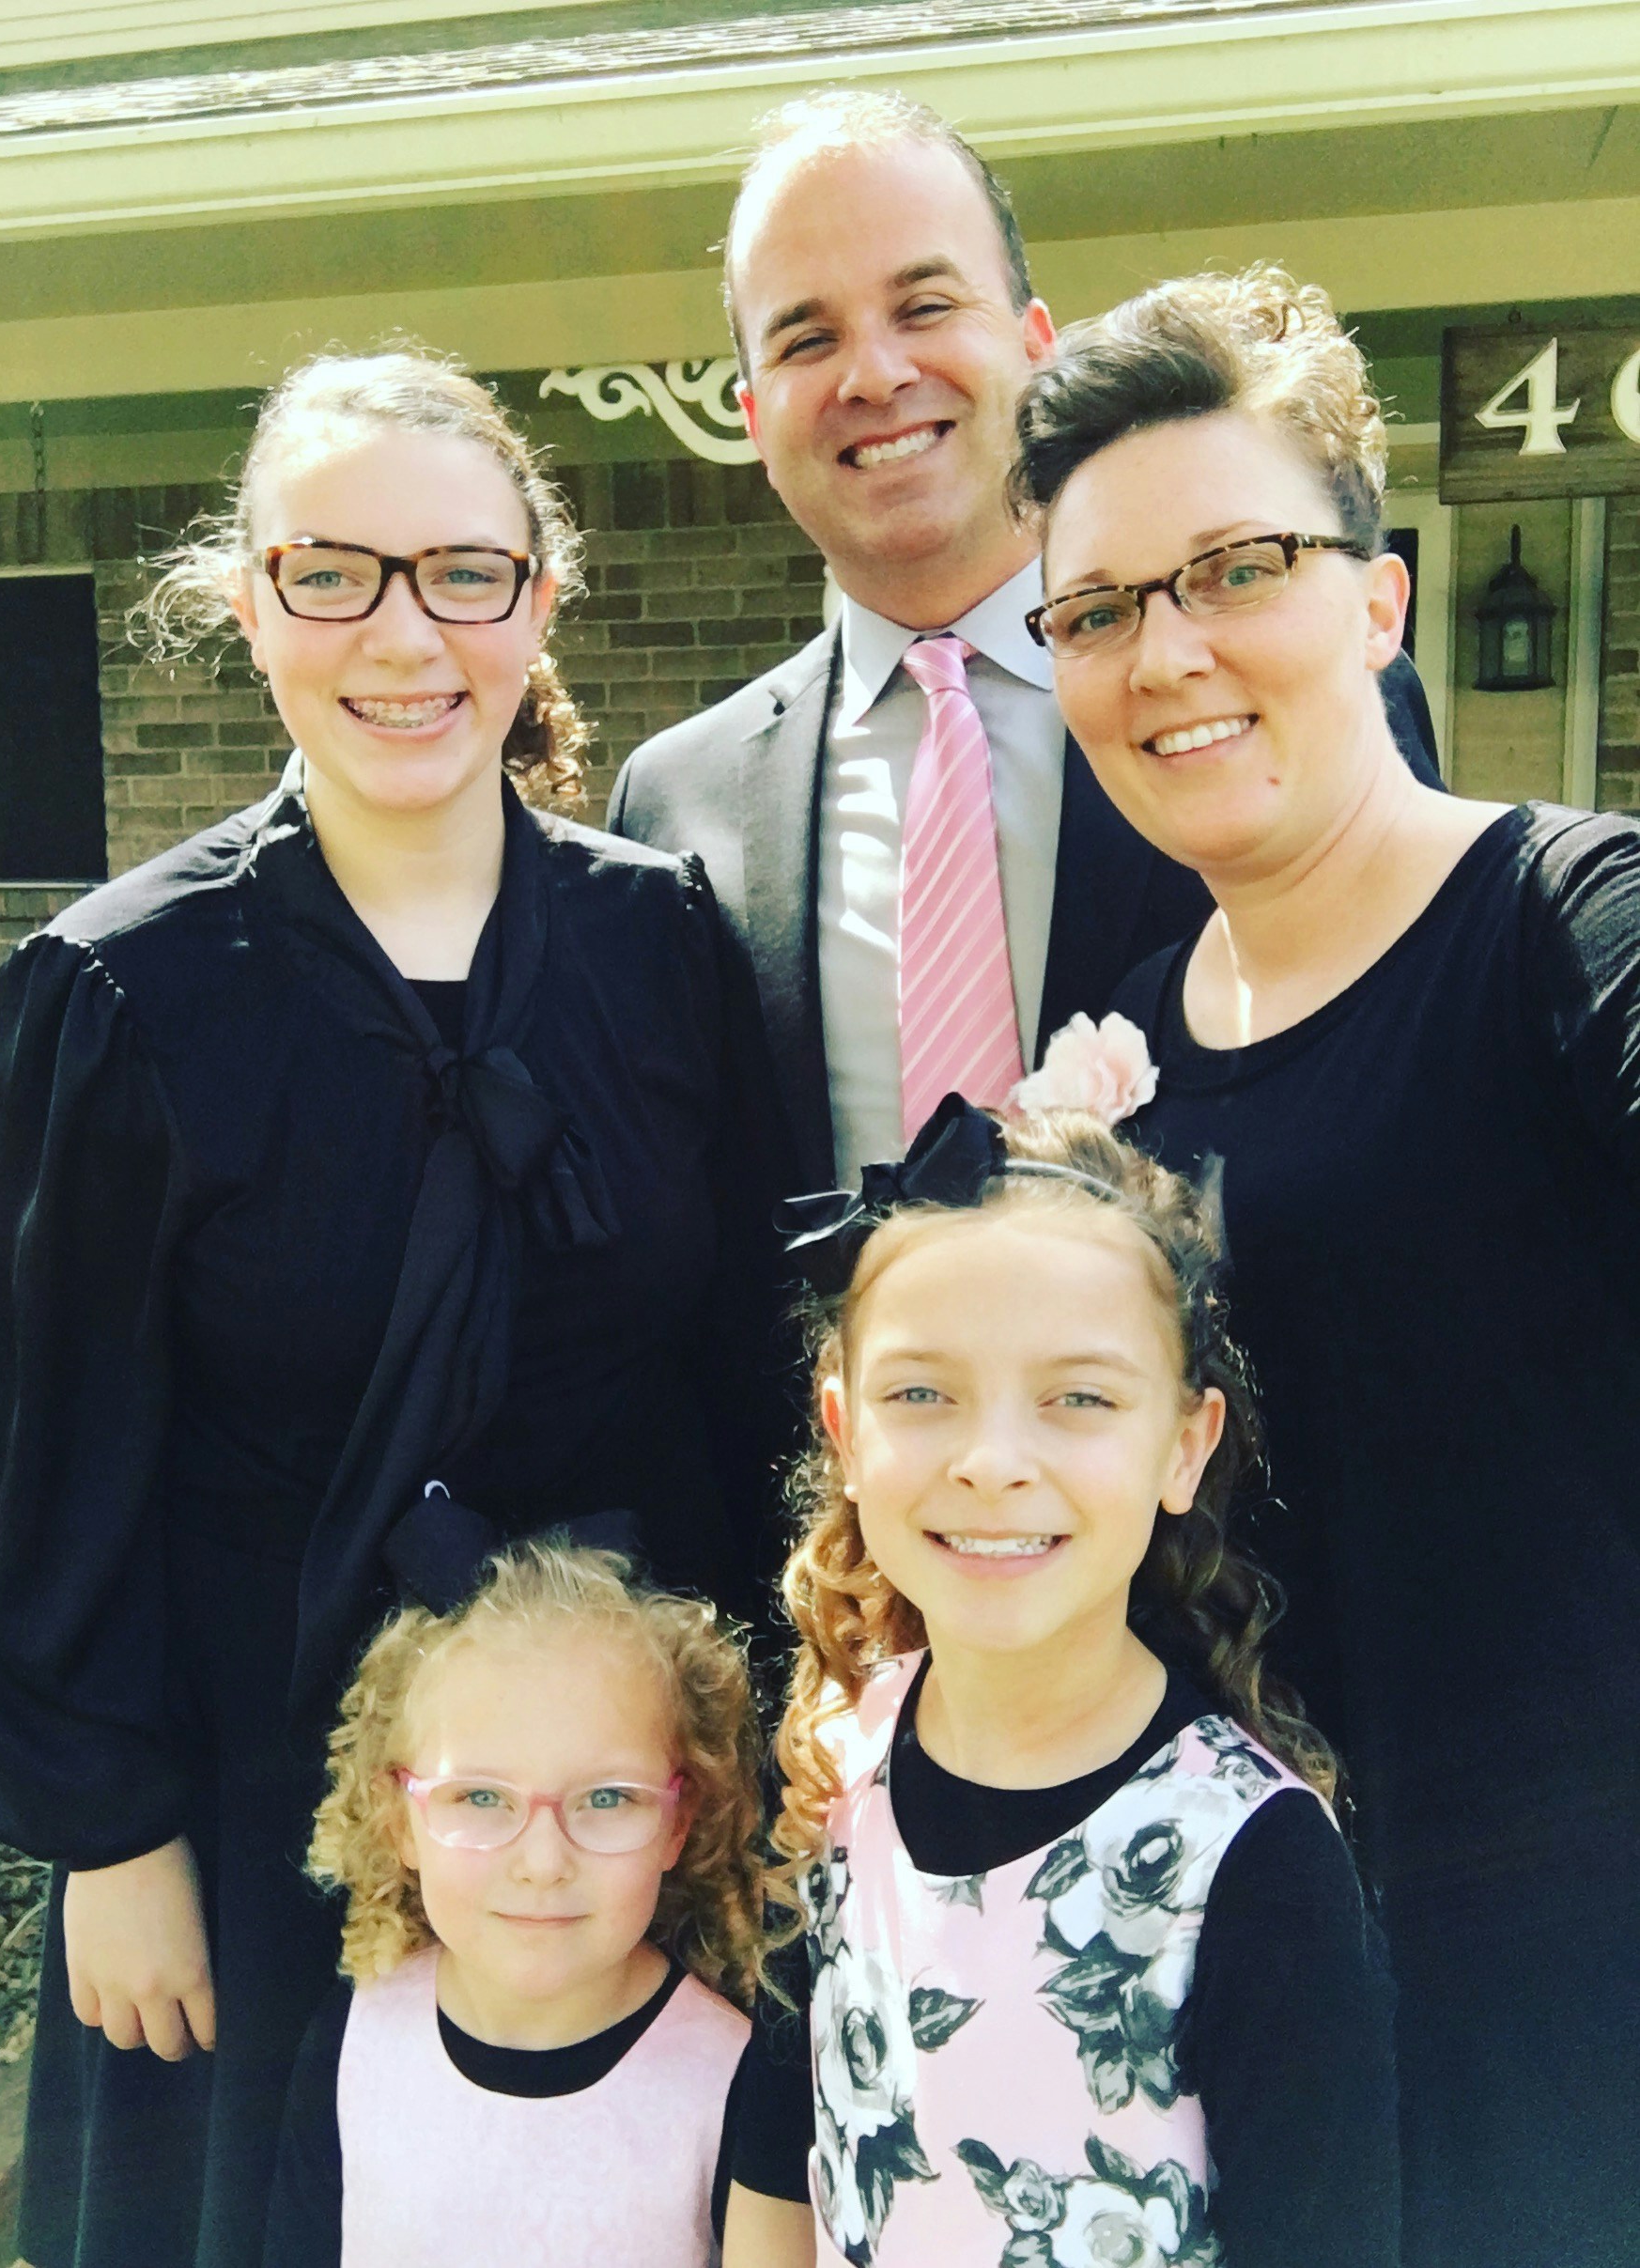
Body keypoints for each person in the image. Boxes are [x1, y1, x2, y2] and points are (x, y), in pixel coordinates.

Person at [0, 349, 766, 2268]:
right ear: (253, 602)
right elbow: (49, 1453)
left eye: (462, 572)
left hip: (602, 1807)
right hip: (249, 1795)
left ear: (536, 601)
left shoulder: (659, 944)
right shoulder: (122, 989)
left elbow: (732, 1379)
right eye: (333, 573)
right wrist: (110, 1836)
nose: (404, 635)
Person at [1015, 265, 1640, 2268]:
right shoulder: (1126, 1038)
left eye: (1236, 567)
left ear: (1377, 603)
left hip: (1573, 2006)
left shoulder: (1573, 935)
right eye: (1097, 608)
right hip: (1252, 1990)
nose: (1166, 650)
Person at [608, 87, 1439, 1196]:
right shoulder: (674, 801)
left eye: (924, 305)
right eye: (807, 338)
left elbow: (1415, 1061)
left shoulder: (1293, 696)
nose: (875, 375)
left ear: (1034, 345)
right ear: (755, 421)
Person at [723, 1095, 1399, 2268]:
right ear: (842, 1431)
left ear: (1184, 1444)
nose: (992, 1462)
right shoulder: (839, 1762)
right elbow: (778, 2172)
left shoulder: (1254, 1865)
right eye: (921, 1392)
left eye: (1078, 1397)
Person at [265, 1544, 763, 2266]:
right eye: (480, 1797)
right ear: (399, 1821)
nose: (542, 1864)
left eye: (606, 1798)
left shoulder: (734, 2081)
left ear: (678, 1822)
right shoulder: (353, 2039)